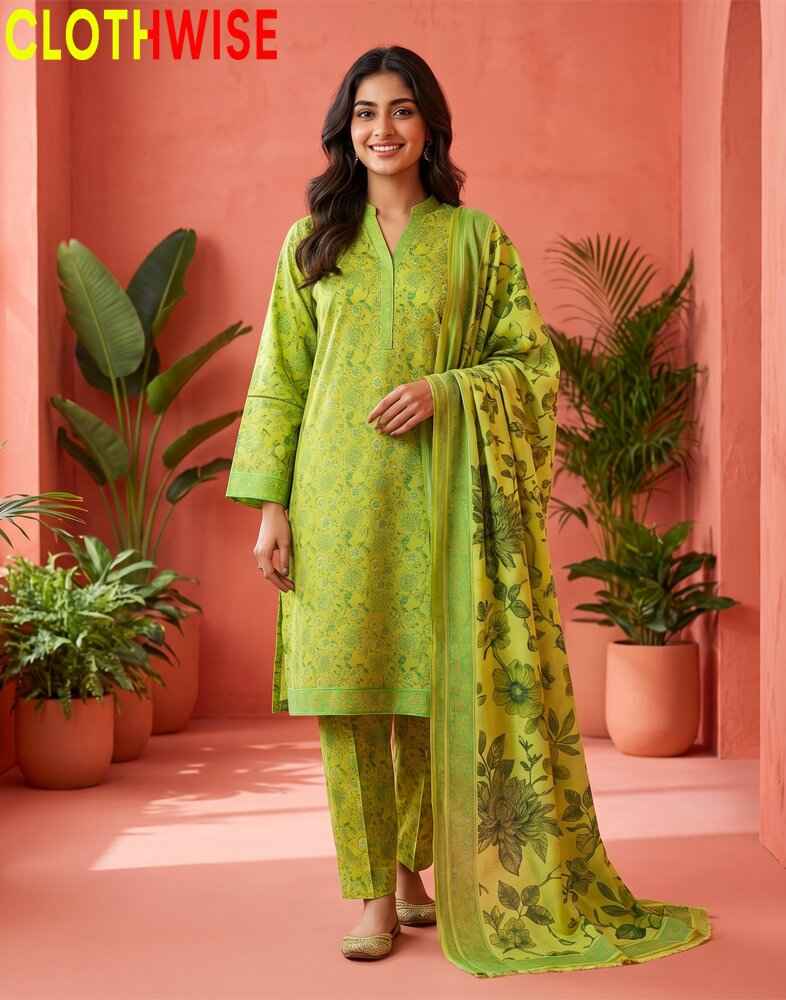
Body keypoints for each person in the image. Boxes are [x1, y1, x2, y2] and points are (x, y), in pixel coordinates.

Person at [226, 45, 713, 976]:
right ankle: (373, 892)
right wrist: (270, 507)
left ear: (429, 125)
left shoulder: (476, 240)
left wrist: (450, 391)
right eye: (365, 113)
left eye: (401, 111)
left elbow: (531, 366)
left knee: (425, 693)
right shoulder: (311, 243)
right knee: (350, 701)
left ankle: (412, 871)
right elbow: (278, 380)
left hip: (443, 502)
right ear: (344, 129)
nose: (382, 130)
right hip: (333, 499)